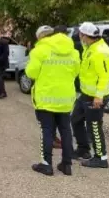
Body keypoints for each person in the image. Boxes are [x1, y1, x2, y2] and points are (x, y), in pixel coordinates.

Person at [26, 25, 80, 176]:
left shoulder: (40, 50)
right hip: (65, 98)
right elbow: (76, 72)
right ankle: (67, 164)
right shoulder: (74, 52)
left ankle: (46, 165)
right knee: (66, 130)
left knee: (47, 130)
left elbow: (31, 73)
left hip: (46, 98)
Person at [72, 22, 109, 169]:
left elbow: (104, 76)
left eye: (80, 34)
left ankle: (101, 158)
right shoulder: (90, 47)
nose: (79, 37)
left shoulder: (100, 52)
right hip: (86, 94)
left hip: (96, 97)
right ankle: (83, 149)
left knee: (94, 127)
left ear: (85, 36)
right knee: (76, 120)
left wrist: (98, 96)